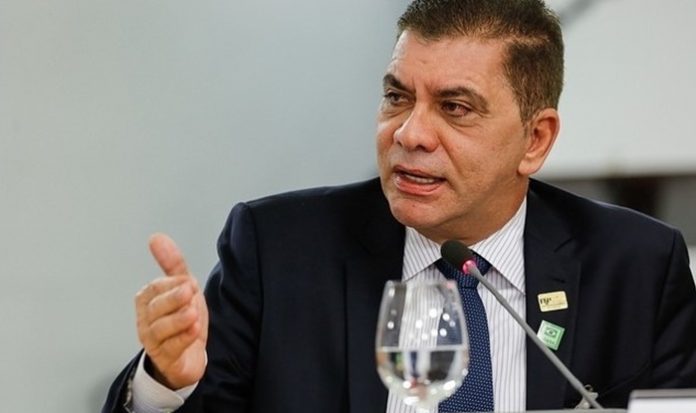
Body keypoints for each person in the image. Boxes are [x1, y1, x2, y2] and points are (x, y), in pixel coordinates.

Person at [102, 0, 696, 412]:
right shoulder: (277, 251)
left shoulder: (637, 267)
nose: (410, 133)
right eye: (396, 97)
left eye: (455, 108)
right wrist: (167, 384)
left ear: (535, 140)